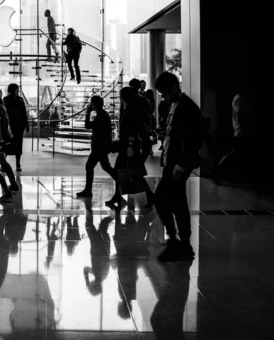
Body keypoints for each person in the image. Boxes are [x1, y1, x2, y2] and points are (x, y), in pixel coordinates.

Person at [154, 71, 203, 262]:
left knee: (162, 200)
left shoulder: (187, 107)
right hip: (172, 163)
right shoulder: (175, 105)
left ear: (173, 88)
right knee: (178, 202)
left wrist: (182, 165)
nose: (163, 97)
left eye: (163, 93)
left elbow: (194, 139)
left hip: (178, 165)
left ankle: (177, 241)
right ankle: (183, 244)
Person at [107, 87, 154, 210]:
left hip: (128, 148)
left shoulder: (130, 111)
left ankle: (149, 196)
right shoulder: (131, 109)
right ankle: (118, 196)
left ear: (124, 97)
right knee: (130, 173)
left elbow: (131, 131)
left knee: (128, 173)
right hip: (129, 147)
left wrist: (130, 146)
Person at [76, 96, 117, 198]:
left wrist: (88, 113)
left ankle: (88, 190)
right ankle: (120, 181)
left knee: (90, 166)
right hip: (101, 146)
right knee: (106, 167)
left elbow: (88, 125)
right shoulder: (103, 114)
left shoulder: (101, 115)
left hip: (99, 146)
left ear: (94, 104)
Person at [210, 87, 252, 182]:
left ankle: (217, 171)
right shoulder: (239, 98)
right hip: (240, 131)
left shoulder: (239, 98)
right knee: (234, 153)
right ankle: (216, 171)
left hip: (240, 130)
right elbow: (240, 115)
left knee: (236, 153)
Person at [3, 83, 29, 171]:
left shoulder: (6, 99)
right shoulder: (18, 99)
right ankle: (17, 164)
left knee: (8, 144)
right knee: (17, 145)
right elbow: (24, 113)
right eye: (17, 89)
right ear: (14, 89)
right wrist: (26, 125)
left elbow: (24, 113)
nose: (18, 90)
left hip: (11, 125)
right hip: (16, 126)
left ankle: (4, 164)